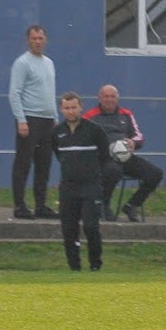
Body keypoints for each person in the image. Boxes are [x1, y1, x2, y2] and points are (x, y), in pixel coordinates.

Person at [83, 85, 164, 222]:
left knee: (155, 173)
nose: (109, 100)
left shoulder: (126, 114)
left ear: (117, 98)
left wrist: (133, 142)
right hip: (103, 159)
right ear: (99, 98)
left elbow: (139, 136)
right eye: (106, 96)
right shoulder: (90, 116)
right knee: (113, 171)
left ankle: (132, 205)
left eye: (112, 96)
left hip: (125, 156)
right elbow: (83, 139)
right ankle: (104, 205)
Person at [52, 92, 111, 272]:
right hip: (68, 187)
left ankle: (95, 264)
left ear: (81, 107)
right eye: (66, 108)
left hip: (90, 186)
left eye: (74, 107)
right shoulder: (57, 132)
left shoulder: (94, 130)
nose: (70, 111)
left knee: (91, 226)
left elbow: (105, 157)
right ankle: (74, 267)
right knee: (69, 229)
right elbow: (58, 154)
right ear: (61, 109)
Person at [8, 25, 58, 220]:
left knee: (44, 165)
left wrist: (55, 118)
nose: (38, 41)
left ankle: (40, 205)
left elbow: (50, 92)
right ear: (28, 40)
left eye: (41, 38)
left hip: (47, 121)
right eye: (34, 38)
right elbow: (14, 93)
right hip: (29, 119)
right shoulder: (22, 63)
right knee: (23, 164)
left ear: (46, 40)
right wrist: (21, 120)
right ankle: (19, 206)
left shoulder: (49, 63)